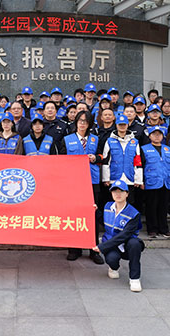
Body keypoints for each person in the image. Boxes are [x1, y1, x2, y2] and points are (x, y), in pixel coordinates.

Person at [63, 111, 104, 264]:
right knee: (73, 215)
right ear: (76, 122)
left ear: (89, 124)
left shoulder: (95, 139)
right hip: (73, 182)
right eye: (80, 121)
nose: (82, 124)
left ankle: (93, 250)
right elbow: (61, 161)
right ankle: (74, 249)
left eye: (85, 122)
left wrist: (95, 158)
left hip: (92, 181)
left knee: (92, 214)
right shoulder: (67, 139)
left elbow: (103, 157)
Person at [93, 181, 144, 292]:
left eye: (121, 191)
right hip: (112, 243)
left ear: (127, 194)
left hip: (127, 244)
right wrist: (95, 211)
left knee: (135, 244)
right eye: (115, 191)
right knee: (111, 259)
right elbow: (104, 221)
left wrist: (102, 247)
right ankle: (114, 268)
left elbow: (124, 235)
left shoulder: (133, 214)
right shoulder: (108, 206)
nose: (118, 194)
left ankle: (134, 278)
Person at [141, 126, 170, 238]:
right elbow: (140, 166)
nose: (157, 136)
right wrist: (141, 181)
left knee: (163, 207)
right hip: (151, 182)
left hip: (166, 182)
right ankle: (152, 229)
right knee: (151, 207)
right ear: (149, 136)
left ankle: (163, 229)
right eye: (154, 134)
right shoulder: (144, 149)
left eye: (159, 134)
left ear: (163, 136)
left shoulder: (168, 149)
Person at [101, 114, 143, 207]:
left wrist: (138, 179)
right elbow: (106, 161)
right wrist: (105, 178)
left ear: (128, 125)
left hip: (129, 178)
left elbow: (138, 161)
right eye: (120, 124)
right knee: (114, 204)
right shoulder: (109, 141)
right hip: (114, 178)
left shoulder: (134, 142)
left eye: (124, 124)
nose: (122, 126)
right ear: (116, 125)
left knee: (130, 204)